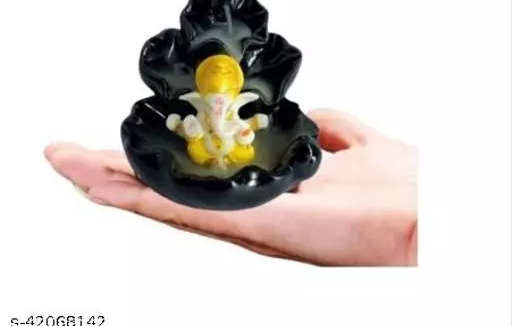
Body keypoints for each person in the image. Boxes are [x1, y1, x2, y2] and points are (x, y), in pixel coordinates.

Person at [44, 109, 417, 266]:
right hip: (205, 148)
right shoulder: (198, 110)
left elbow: (249, 128)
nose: (221, 104)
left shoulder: (243, 114)